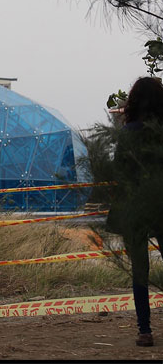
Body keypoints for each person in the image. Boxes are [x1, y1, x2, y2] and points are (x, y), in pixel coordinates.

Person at [110, 75, 163, 347]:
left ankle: (145, 330)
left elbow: (119, 170)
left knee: (140, 270)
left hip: (135, 208)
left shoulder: (128, 132)